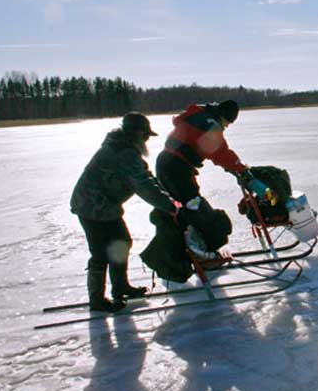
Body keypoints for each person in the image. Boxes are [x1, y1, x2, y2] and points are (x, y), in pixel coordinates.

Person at [71, 112, 183, 312]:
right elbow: (143, 186)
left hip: (105, 206)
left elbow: (146, 177)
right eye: (146, 135)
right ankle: (97, 300)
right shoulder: (124, 153)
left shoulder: (125, 148)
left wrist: (169, 200)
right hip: (92, 207)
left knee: (122, 242)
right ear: (138, 134)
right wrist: (169, 206)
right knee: (100, 253)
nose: (147, 139)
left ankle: (120, 286)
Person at [156, 100, 265, 253]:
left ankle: (193, 247)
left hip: (166, 165)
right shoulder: (209, 125)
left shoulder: (199, 116)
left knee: (184, 207)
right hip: (176, 170)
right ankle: (203, 250)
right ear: (223, 116)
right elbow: (221, 153)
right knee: (194, 207)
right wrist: (240, 169)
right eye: (227, 122)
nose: (226, 126)